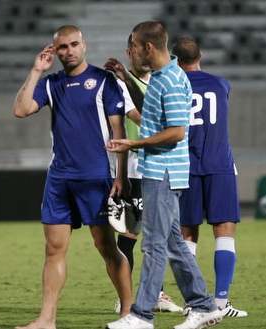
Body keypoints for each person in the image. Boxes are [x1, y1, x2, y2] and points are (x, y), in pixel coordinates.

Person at [12, 25, 133, 329]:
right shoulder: (51, 83)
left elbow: (120, 132)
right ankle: (46, 319)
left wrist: (122, 176)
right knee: (53, 248)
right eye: (62, 47)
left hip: (95, 177)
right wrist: (36, 70)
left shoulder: (104, 81)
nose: (68, 51)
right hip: (60, 178)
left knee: (106, 247)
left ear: (84, 45)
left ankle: (129, 314)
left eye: (73, 45)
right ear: (55, 51)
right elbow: (21, 109)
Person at [104, 21, 222, 329]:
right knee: (173, 244)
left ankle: (141, 315)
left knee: (153, 244)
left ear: (148, 47)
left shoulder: (169, 80)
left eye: (134, 44)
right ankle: (204, 305)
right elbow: (152, 113)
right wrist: (126, 79)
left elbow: (176, 132)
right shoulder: (161, 75)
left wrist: (135, 142)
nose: (131, 51)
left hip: (164, 171)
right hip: (160, 169)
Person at [171, 37, 248, 318]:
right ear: (200, 55)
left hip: (186, 167)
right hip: (219, 166)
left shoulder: (174, 86)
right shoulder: (221, 84)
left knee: (187, 234)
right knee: (225, 232)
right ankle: (220, 302)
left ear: (175, 61)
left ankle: (193, 302)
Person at [113, 34, 183, 314]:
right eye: (136, 49)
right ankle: (126, 297)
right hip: (133, 167)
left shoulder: (159, 80)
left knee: (160, 234)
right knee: (130, 235)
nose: (141, 55)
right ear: (131, 52)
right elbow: (140, 117)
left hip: (158, 166)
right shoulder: (119, 83)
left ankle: (156, 292)